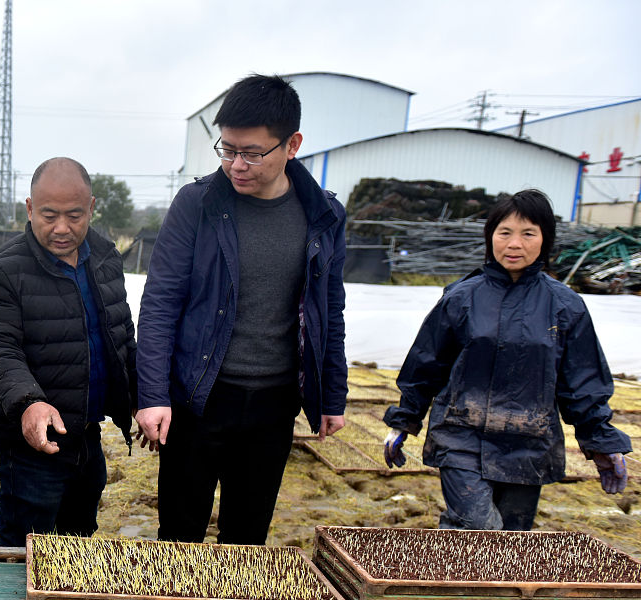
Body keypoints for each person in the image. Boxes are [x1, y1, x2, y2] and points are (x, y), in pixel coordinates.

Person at [135, 74, 348, 548]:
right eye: (227, 150)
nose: (237, 165)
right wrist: (151, 394)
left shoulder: (323, 214)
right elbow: (160, 303)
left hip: (273, 403)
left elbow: (328, 310)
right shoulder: (198, 204)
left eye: (252, 153)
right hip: (198, 396)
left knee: (247, 536)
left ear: (291, 145)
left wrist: (331, 394)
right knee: (179, 531)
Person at [0, 156, 137, 600]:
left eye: (73, 214)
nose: (61, 228)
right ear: (28, 209)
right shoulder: (0, 271)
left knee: (77, 535)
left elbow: (117, 338)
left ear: (92, 209)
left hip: (84, 434)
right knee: (20, 545)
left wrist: (137, 402)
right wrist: (27, 402)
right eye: (48, 215)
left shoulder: (107, 257)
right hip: (30, 438)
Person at [383, 189, 630, 530]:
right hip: (461, 436)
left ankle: (452, 583)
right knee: (478, 529)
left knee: (511, 546)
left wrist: (601, 441)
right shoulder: (461, 298)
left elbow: (582, 382)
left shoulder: (565, 305)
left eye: (528, 233)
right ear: (491, 237)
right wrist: (403, 421)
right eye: (505, 232)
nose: (514, 244)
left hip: (528, 444)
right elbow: (427, 364)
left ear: (545, 240)